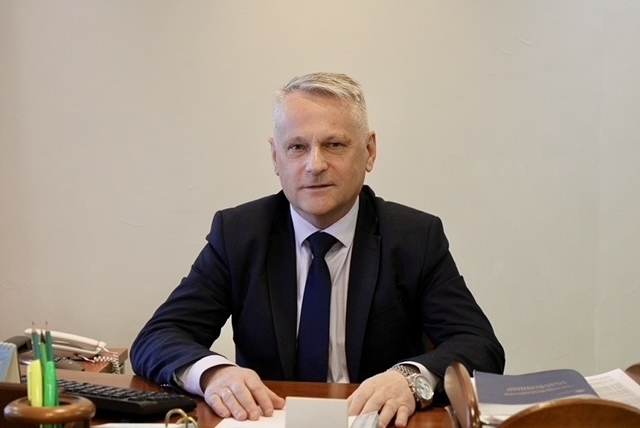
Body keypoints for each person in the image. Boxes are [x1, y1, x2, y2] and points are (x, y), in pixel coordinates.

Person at [130, 72, 505, 427]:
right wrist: (214, 373)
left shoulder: (413, 237)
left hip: (376, 422)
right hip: (271, 422)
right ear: (276, 157)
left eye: (334, 145)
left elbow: (479, 345)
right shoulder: (239, 234)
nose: (315, 165)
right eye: (297, 147)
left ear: (369, 151)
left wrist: (411, 379)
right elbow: (158, 337)